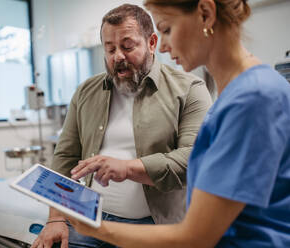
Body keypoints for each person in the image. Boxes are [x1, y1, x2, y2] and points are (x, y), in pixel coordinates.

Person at [65, 0, 290, 247]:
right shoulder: (241, 93)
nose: (161, 46)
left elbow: (196, 236)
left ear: (205, 14)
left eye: (166, 29)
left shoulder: (253, 98)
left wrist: (95, 228)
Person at [32, 4, 212, 248]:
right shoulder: (86, 91)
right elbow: (65, 156)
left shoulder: (190, 89)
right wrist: (55, 218)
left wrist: (127, 168)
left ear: (151, 43)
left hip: (154, 225)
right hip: (88, 220)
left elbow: (193, 160)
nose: (118, 56)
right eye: (110, 49)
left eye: (127, 47)